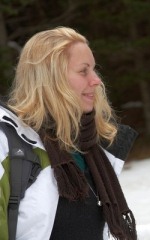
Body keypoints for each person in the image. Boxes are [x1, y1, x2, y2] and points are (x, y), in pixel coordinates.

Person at [0, 27, 137, 240]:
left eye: (94, 69)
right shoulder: (8, 145)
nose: (96, 80)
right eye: (83, 71)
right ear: (51, 79)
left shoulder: (92, 148)